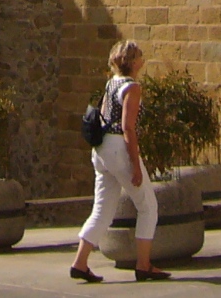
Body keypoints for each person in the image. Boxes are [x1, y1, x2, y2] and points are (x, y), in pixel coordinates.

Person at [71, 40, 169, 282]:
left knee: (102, 209)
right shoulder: (132, 87)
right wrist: (135, 165)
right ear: (134, 62)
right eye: (140, 57)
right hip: (118, 148)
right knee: (148, 205)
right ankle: (143, 264)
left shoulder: (111, 83)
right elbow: (128, 128)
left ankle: (80, 262)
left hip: (101, 149)